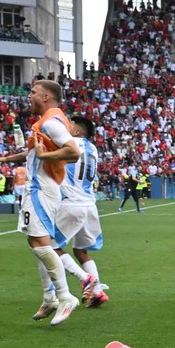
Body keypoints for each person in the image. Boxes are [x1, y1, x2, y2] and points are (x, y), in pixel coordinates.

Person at [0, 79, 87, 323]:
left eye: (34, 92)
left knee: (39, 243)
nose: (30, 96)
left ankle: (65, 296)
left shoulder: (51, 123)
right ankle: (50, 297)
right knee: (37, 242)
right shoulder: (50, 122)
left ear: (46, 97)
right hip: (41, 188)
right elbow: (34, 153)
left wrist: (44, 155)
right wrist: (6, 160)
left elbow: (73, 152)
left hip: (41, 189)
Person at [63, 111, 110, 307]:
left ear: (75, 130)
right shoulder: (93, 149)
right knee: (80, 250)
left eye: (68, 125)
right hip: (89, 204)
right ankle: (98, 292)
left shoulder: (69, 144)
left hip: (71, 202)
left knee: (49, 247)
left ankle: (85, 280)